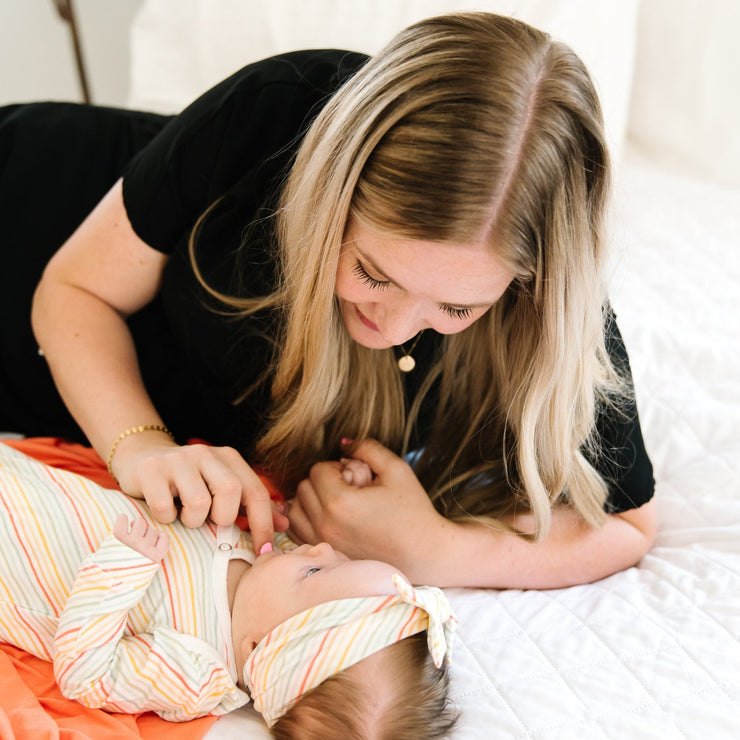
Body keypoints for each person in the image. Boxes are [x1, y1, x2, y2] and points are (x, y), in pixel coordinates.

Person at [0, 12, 655, 590]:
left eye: (456, 309)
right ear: (334, 192)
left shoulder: (546, 276)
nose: (393, 327)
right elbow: (75, 291)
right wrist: (141, 448)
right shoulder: (274, 111)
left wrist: (439, 550)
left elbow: (628, 524)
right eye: (373, 272)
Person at [0, 441, 458, 736]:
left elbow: (88, 674)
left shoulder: (198, 671)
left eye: (315, 573)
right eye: (342, 558)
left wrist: (123, 569)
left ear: (258, 647)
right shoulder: (267, 571)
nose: (319, 549)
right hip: (29, 485)